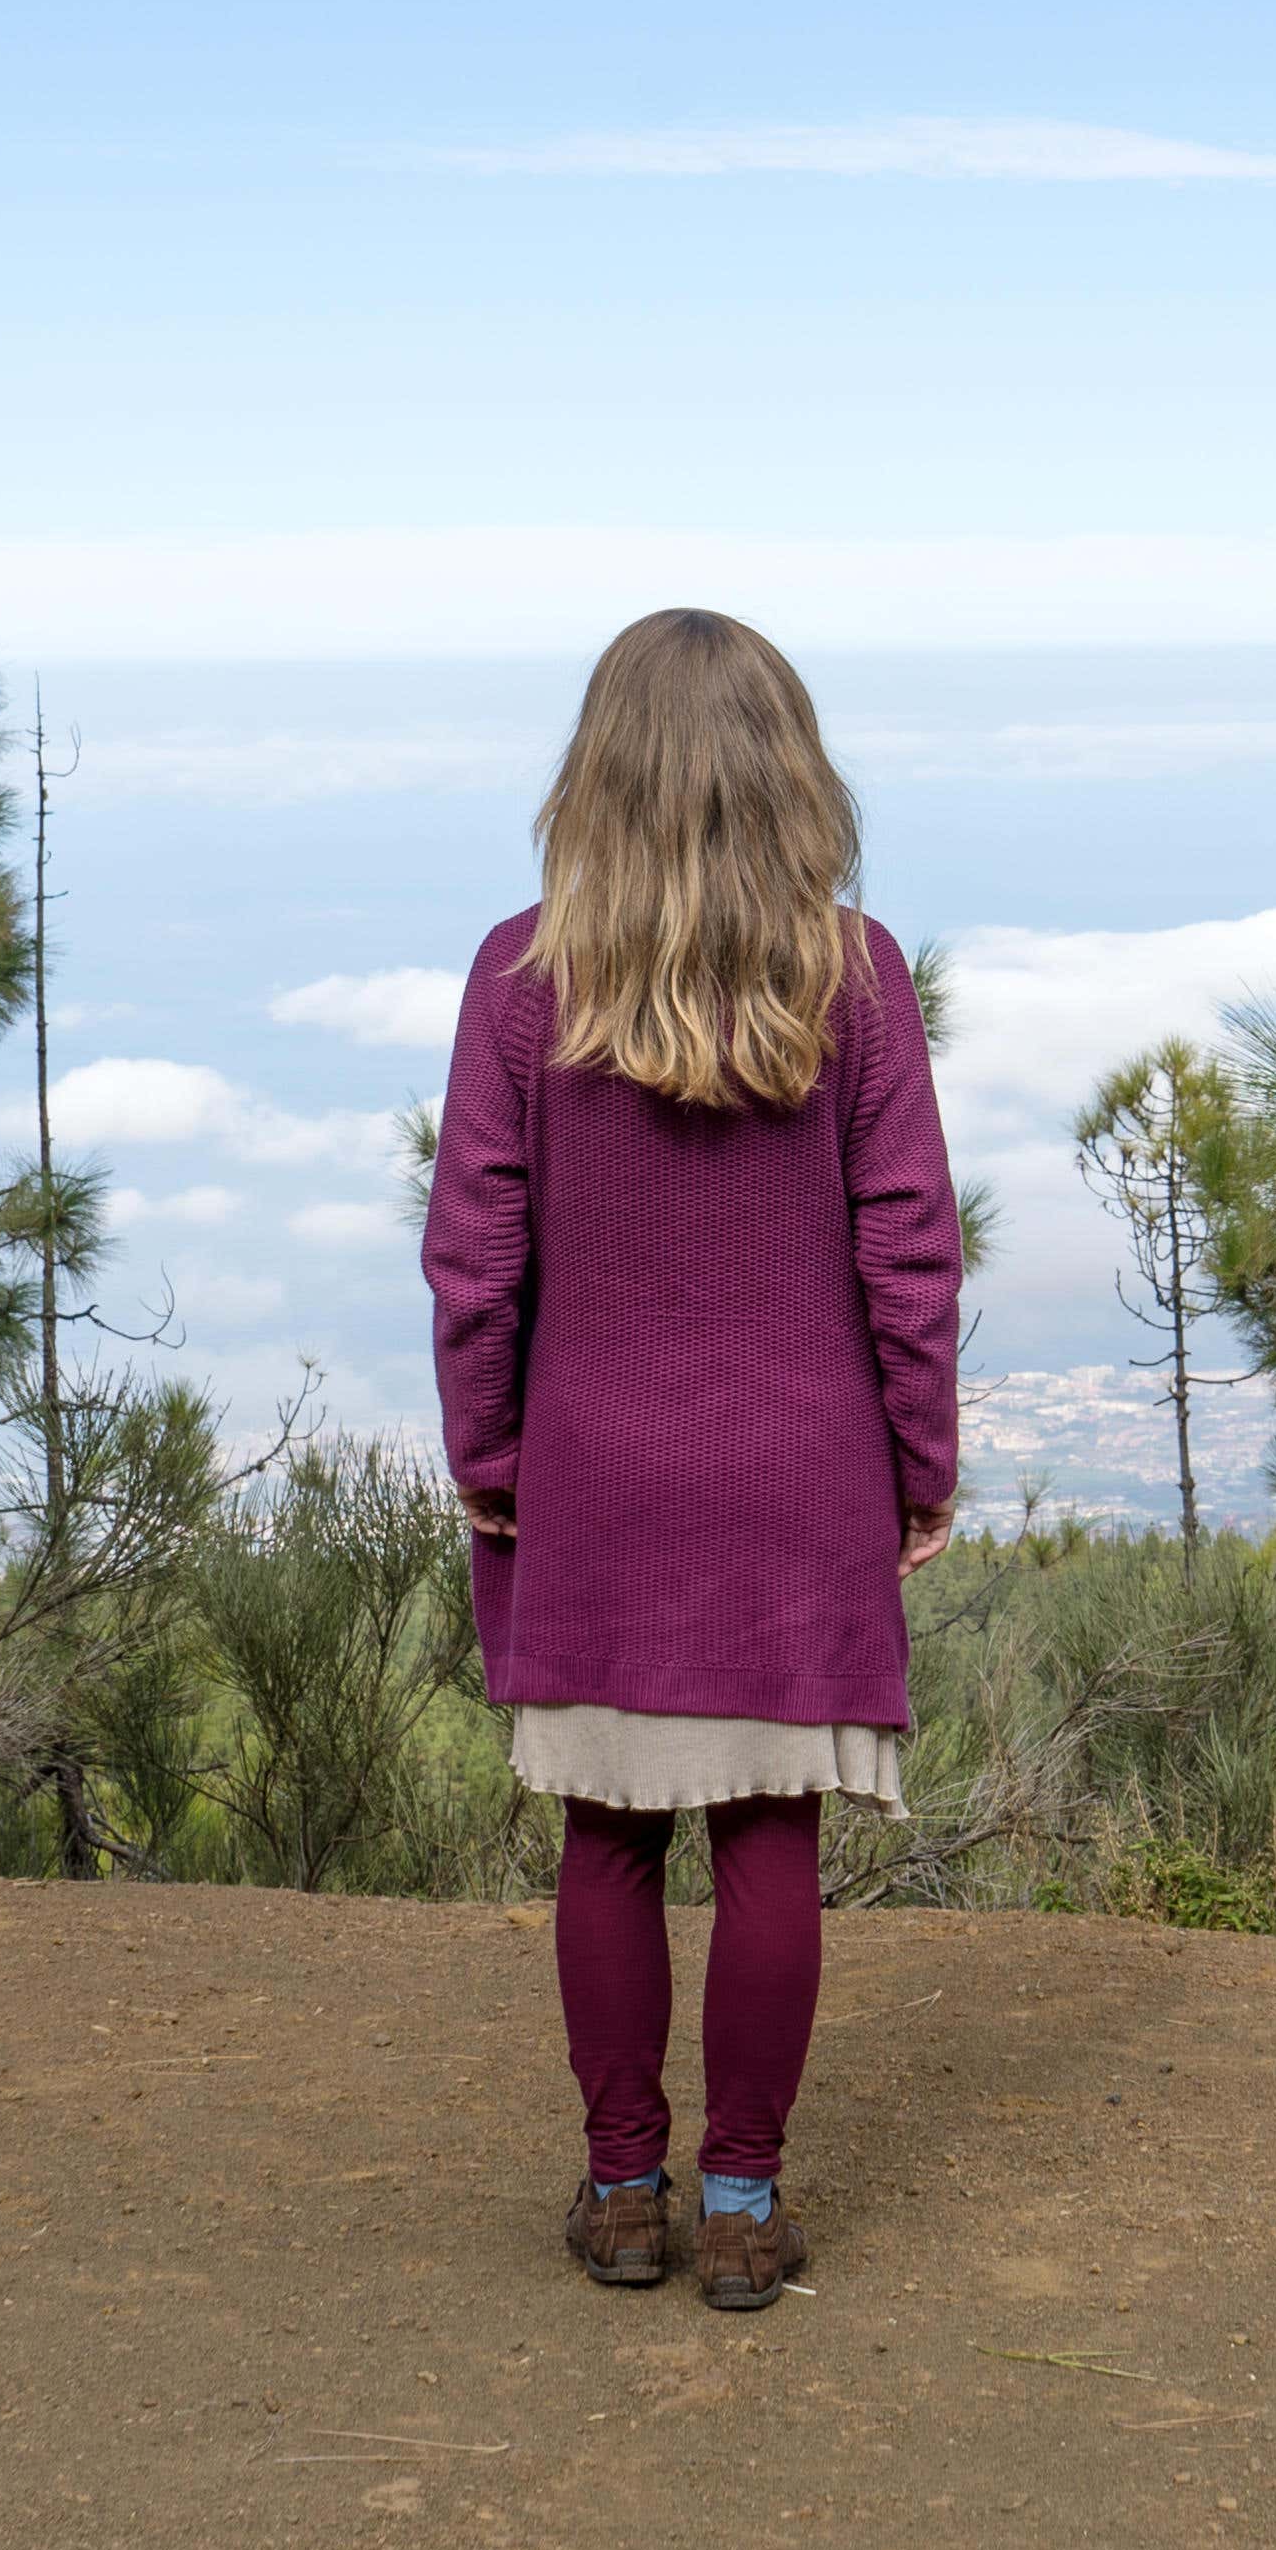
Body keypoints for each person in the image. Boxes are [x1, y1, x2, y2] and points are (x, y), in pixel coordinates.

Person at [423, 610, 962, 2312]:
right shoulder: (856, 981)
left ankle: (621, 2192)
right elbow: (909, 1244)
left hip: (595, 1474)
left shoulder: (522, 979)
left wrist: (489, 1446)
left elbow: (475, 1248)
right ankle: (741, 2205)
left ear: (598, 774)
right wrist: (919, 1457)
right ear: (791, 777)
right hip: (800, 1477)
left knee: (604, 1837)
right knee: (770, 1841)